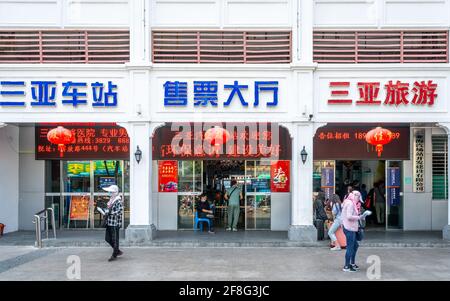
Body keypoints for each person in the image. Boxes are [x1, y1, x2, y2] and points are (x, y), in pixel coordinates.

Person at [341, 192, 364, 272]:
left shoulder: (349, 201)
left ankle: (352, 263)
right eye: (358, 199)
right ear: (356, 196)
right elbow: (349, 216)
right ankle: (347, 266)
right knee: (350, 247)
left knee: (355, 245)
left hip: (349, 227)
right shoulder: (350, 204)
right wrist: (359, 217)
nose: (359, 201)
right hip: (349, 228)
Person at [102, 185, 124, 262]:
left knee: (115, 239)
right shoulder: (111, 199)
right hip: (109, 222)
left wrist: (110, 213)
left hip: (115, 223)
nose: (109, 193)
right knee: (107, 238)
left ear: (115, 192)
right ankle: (117, 251)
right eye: (109, 192)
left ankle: (114, 254)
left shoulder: (118, 200)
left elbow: (120, 211)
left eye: (111, 192)